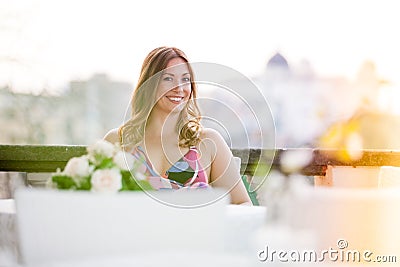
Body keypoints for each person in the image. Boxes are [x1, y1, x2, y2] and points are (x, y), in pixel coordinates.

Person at [104, 46, 251, 205]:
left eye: (185, 79)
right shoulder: (117, 141)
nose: (179, 88)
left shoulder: (209, 141)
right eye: (168, 79)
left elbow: (243, 204)